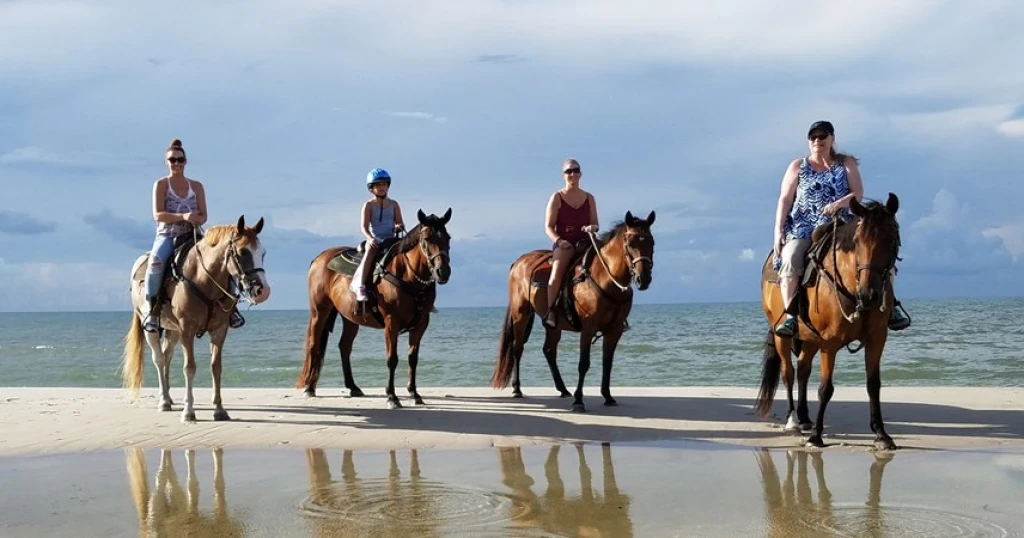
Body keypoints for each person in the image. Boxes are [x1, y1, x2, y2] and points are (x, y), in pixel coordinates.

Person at [772, 121, 911, 337]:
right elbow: (784, 199)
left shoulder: (846, 163)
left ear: (832, 138)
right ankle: (791, 316)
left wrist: (839, 204)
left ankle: (892, 307)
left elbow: (857, 193)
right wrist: (778, 231)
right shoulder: (797, 166)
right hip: (804, 224)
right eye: (813, 137)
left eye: (822, 136)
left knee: (876, 253)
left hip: (842, 223)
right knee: (791, 258)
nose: (817, 141)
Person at [141, 139, 245, 332]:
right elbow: (158, 214)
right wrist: (183, 216)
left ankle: (232, 308)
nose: (177, 164)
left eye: (180, 160)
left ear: (186, 162)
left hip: (193, 234)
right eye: (172, 160)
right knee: (155, 264)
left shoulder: (196, 186)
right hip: (167, 235)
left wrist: (196, 220)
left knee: (224, 258)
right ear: (166, 162)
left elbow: (204, 215)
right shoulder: (161, 184)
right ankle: (152, 310)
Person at [542, 158, 600, 328]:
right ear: (563, 175)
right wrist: (559, 241)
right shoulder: (557, 197)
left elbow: (596, 223)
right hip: (564, 243)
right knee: (556, 274)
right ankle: (551, 312)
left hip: (585, 241)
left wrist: (592, 228)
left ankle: (615, 313)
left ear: (580, 174)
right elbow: (548, 227)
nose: (572, 174)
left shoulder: (589, 198)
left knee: (609, 265)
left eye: (576, 170)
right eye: (569, 171)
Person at [351, 168, 405, 302]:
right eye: (378, 185)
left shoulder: (394, 204)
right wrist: (369, 238)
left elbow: (400, 223)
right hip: (375, 239)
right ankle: (360, 286)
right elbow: (363, 227)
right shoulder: (368, 205)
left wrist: (399, 226)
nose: (382, 187)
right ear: (371, 188)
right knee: (371, 249)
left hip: (391, 239)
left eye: (384, 184)